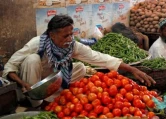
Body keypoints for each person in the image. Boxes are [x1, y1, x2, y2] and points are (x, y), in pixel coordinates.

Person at [3, 14, 155, 107]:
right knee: (32, 60)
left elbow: (98, 57)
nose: (70, 39)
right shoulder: (37, 44)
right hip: (33, 81)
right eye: (65, 36)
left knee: (81, 68)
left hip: (51, 79)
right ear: (52, 35)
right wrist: (23, 84)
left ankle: (52, 98)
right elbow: (10, 66)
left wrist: (132, 69)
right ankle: (36, 103)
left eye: (71, 34)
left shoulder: (72, 45)